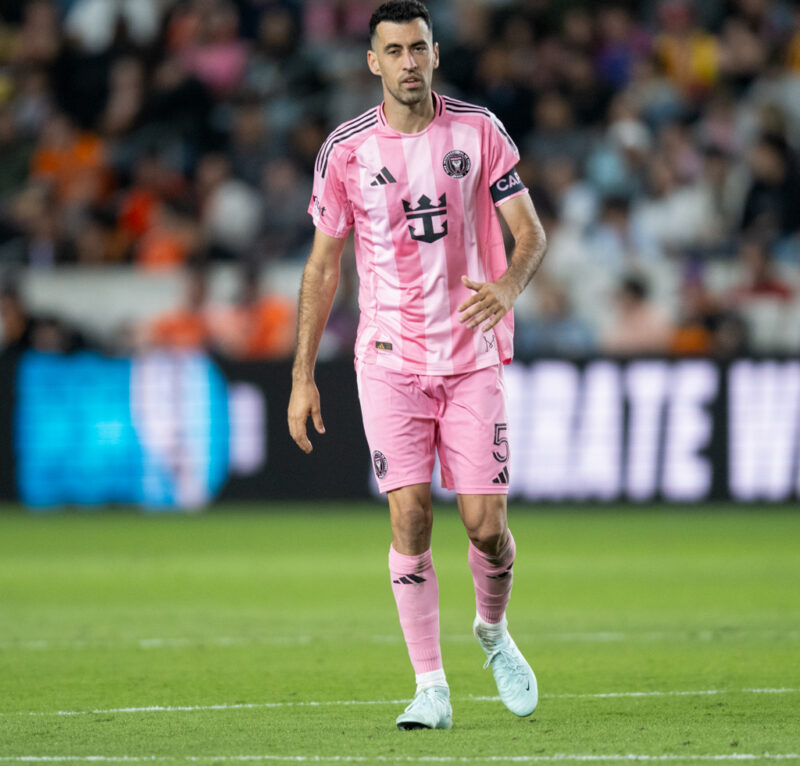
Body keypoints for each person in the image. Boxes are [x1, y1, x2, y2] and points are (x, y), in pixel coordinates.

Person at [287, 1, 547, 731]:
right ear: (373, 61)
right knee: (409, 515)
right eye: (395, 50)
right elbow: (322, 268)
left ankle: (492, 631)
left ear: (435, 54)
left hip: (471, 357)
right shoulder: (346, 150)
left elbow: (530, 234)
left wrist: (507, 286)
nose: (409, 62)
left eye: (419, 48)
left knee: (485, 526)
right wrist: (303, 375)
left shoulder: (479, 130)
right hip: (389, 359)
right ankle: (430, 686)